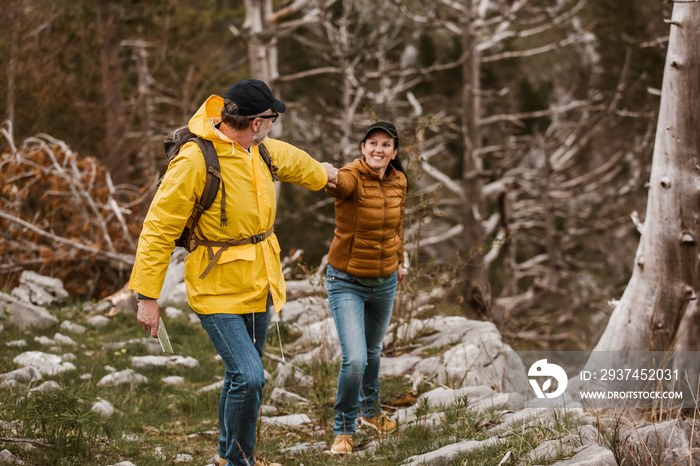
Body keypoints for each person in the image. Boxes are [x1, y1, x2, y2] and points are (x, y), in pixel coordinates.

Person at [130, 79, 338, 466]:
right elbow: (158, 227)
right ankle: (240, 461)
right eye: (271, 118)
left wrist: (328, 175)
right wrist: (147, 296)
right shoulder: (195, 160)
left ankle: (230, 455)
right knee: (251, 377)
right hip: (215, 288)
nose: (273, 126)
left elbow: (296, 162)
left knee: (240, 376)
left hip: (259, 281)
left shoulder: (260, 151)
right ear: (256, 122)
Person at [324, 121, 408, 454]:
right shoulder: (351, 177)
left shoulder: (400, 180)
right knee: (355, 359)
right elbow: (336, 184)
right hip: (346, 281)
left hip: (385, 280)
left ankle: (370, 412)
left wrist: (399, 260)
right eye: (372, 143)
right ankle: (343, 428)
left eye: (386, 145)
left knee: (373, 352)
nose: (378, 149)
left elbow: (398, 224)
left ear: (394, 152)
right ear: (362, 148)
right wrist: (326, 174)